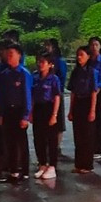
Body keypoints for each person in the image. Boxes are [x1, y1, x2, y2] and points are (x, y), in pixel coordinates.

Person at [0, 42, 33, 183]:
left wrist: (25, 115)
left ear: (19, 56)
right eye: (7, 54)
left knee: (20, 142)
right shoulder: (5, 74)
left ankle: (24, 171)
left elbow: (27, 96)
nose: (8, 57)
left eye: (11, 54)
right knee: (9, 141)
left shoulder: (24, 74)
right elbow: (2, 96)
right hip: (8, 111)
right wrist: (0, 114)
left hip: (19, 110)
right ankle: (13, 171)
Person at [68, 45, 101, 173]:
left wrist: (92, 110)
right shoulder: (76, 72)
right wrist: (71, 110)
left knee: (87, 135)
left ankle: (87, 165)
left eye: (82, 55)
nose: (79, 57)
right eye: (78, 55)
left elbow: (94, 92)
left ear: (88, 56)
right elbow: (72, 92)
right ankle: (78, 163)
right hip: (78, 102)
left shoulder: (92, 72)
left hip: (87, 102)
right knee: (78, 135)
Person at [32, 52, 64, 180]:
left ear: (50, 64)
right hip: (38, 108)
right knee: (38, 138)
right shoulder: (35, 77)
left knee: (51, 139)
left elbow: (57, 97)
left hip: (49, 108)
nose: (40, 64)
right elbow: (32, 96)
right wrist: (31, 112)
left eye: (43, 62)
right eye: (39, 61)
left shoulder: (54, 79)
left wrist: (54, 115)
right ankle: (42, 164)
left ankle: (52, 166)